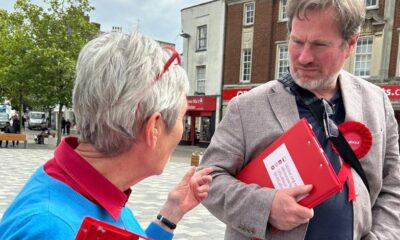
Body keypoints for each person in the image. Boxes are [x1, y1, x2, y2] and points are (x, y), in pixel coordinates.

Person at [199, 0, 400, 239]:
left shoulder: (377, 102)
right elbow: (208, 181)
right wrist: (266, 206)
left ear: (351, 44)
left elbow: (393, 185)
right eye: (297, 41)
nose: (304, 57)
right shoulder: (247, 107)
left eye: (319, 45)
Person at [0, 32, 213, 239]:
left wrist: (169, 215)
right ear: (154, 128)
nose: (181, 130)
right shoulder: (54, 228)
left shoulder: (86, 189)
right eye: (181, 118)